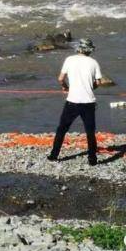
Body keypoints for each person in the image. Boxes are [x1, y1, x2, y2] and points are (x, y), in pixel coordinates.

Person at [48, 38, 102, 166]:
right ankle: (92, 159)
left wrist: (66, 87)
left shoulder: (69, 59)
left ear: (78, 48)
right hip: (88, 102)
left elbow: (60, 78)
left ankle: (54, 155)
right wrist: (91, 87)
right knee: (90, 131)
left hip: (72, 101)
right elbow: (99, 82)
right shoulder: (93, 62)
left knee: (62, 129)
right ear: (90, 50)